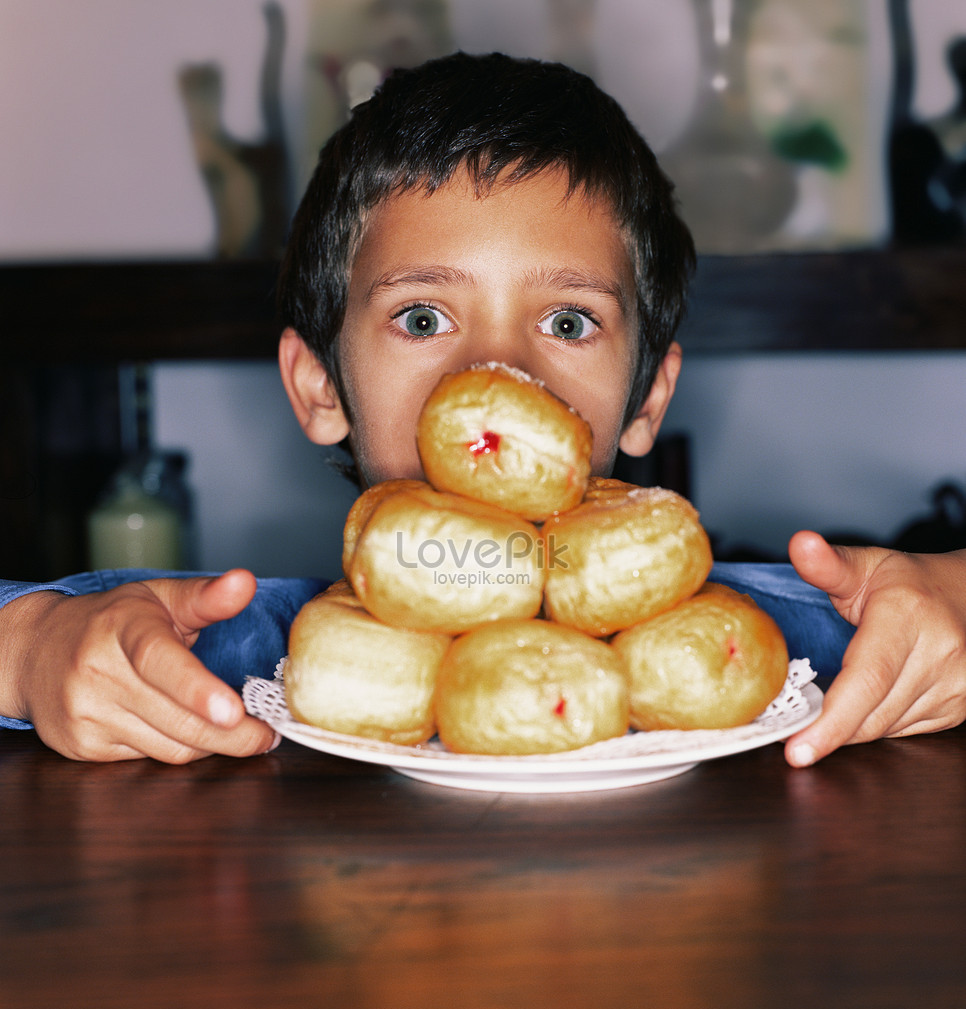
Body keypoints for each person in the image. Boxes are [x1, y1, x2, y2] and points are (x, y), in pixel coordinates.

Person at [2, 52, 965, 768]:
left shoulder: (760, 636)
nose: (497, 376)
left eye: (567, 320)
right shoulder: (242, 645)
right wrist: (37, 652)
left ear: (647, 399)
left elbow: (923, 621)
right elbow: (40, 638)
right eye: (424, 317)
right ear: (319, 387)